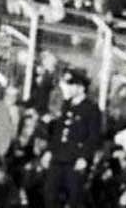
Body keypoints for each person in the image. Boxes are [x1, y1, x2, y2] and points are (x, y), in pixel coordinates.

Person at [41, 68, 102, 208]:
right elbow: (58, 132)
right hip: (58, 158)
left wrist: (84, 157)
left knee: (74, 198)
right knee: (50, 195)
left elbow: (93, 137)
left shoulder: (91, 109)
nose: (68, 88)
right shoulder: (67, 105)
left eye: (72, 84)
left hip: (74, 160)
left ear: (81, 88)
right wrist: (49, 151)